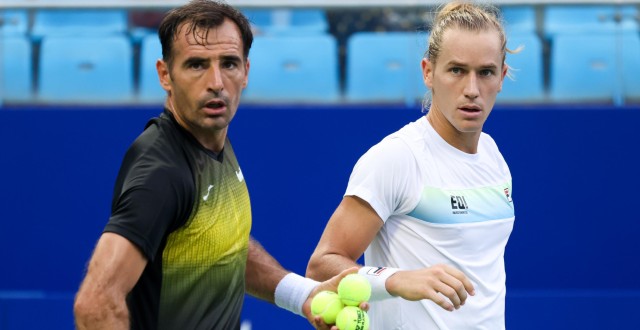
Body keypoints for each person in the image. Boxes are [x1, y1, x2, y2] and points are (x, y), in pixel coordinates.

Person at [73, 1, 357, 329]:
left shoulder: (209, 138)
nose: (216, 82)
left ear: (246, 72)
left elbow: (219, 245)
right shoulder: (161, 174)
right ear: (165, 75)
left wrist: (303, 295)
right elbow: (95, 304)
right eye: (196, 65)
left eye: (229, 64)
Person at [306, 2, 516, 329]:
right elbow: (321, 265)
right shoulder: (396, 158)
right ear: (428, 72)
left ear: (501, 76)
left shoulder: (493, 156)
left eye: (485, 72)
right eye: (457, 70)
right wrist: (396, 280)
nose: (472, 90)